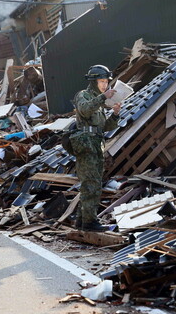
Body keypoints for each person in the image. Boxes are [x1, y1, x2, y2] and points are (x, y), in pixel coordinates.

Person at [71, 65, 121, 232]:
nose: (104, 85)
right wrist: (103, 98)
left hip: (95, 143)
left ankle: (81, 221)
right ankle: (90, 222)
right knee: (91, 183)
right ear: (93, 82)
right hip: (86, 144)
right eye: (101, 81)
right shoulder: (83, 96)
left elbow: (104, 126)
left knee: (92, 183)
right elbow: (84, 111)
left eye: (106, 82)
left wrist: (115, 114)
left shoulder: (98, 101)